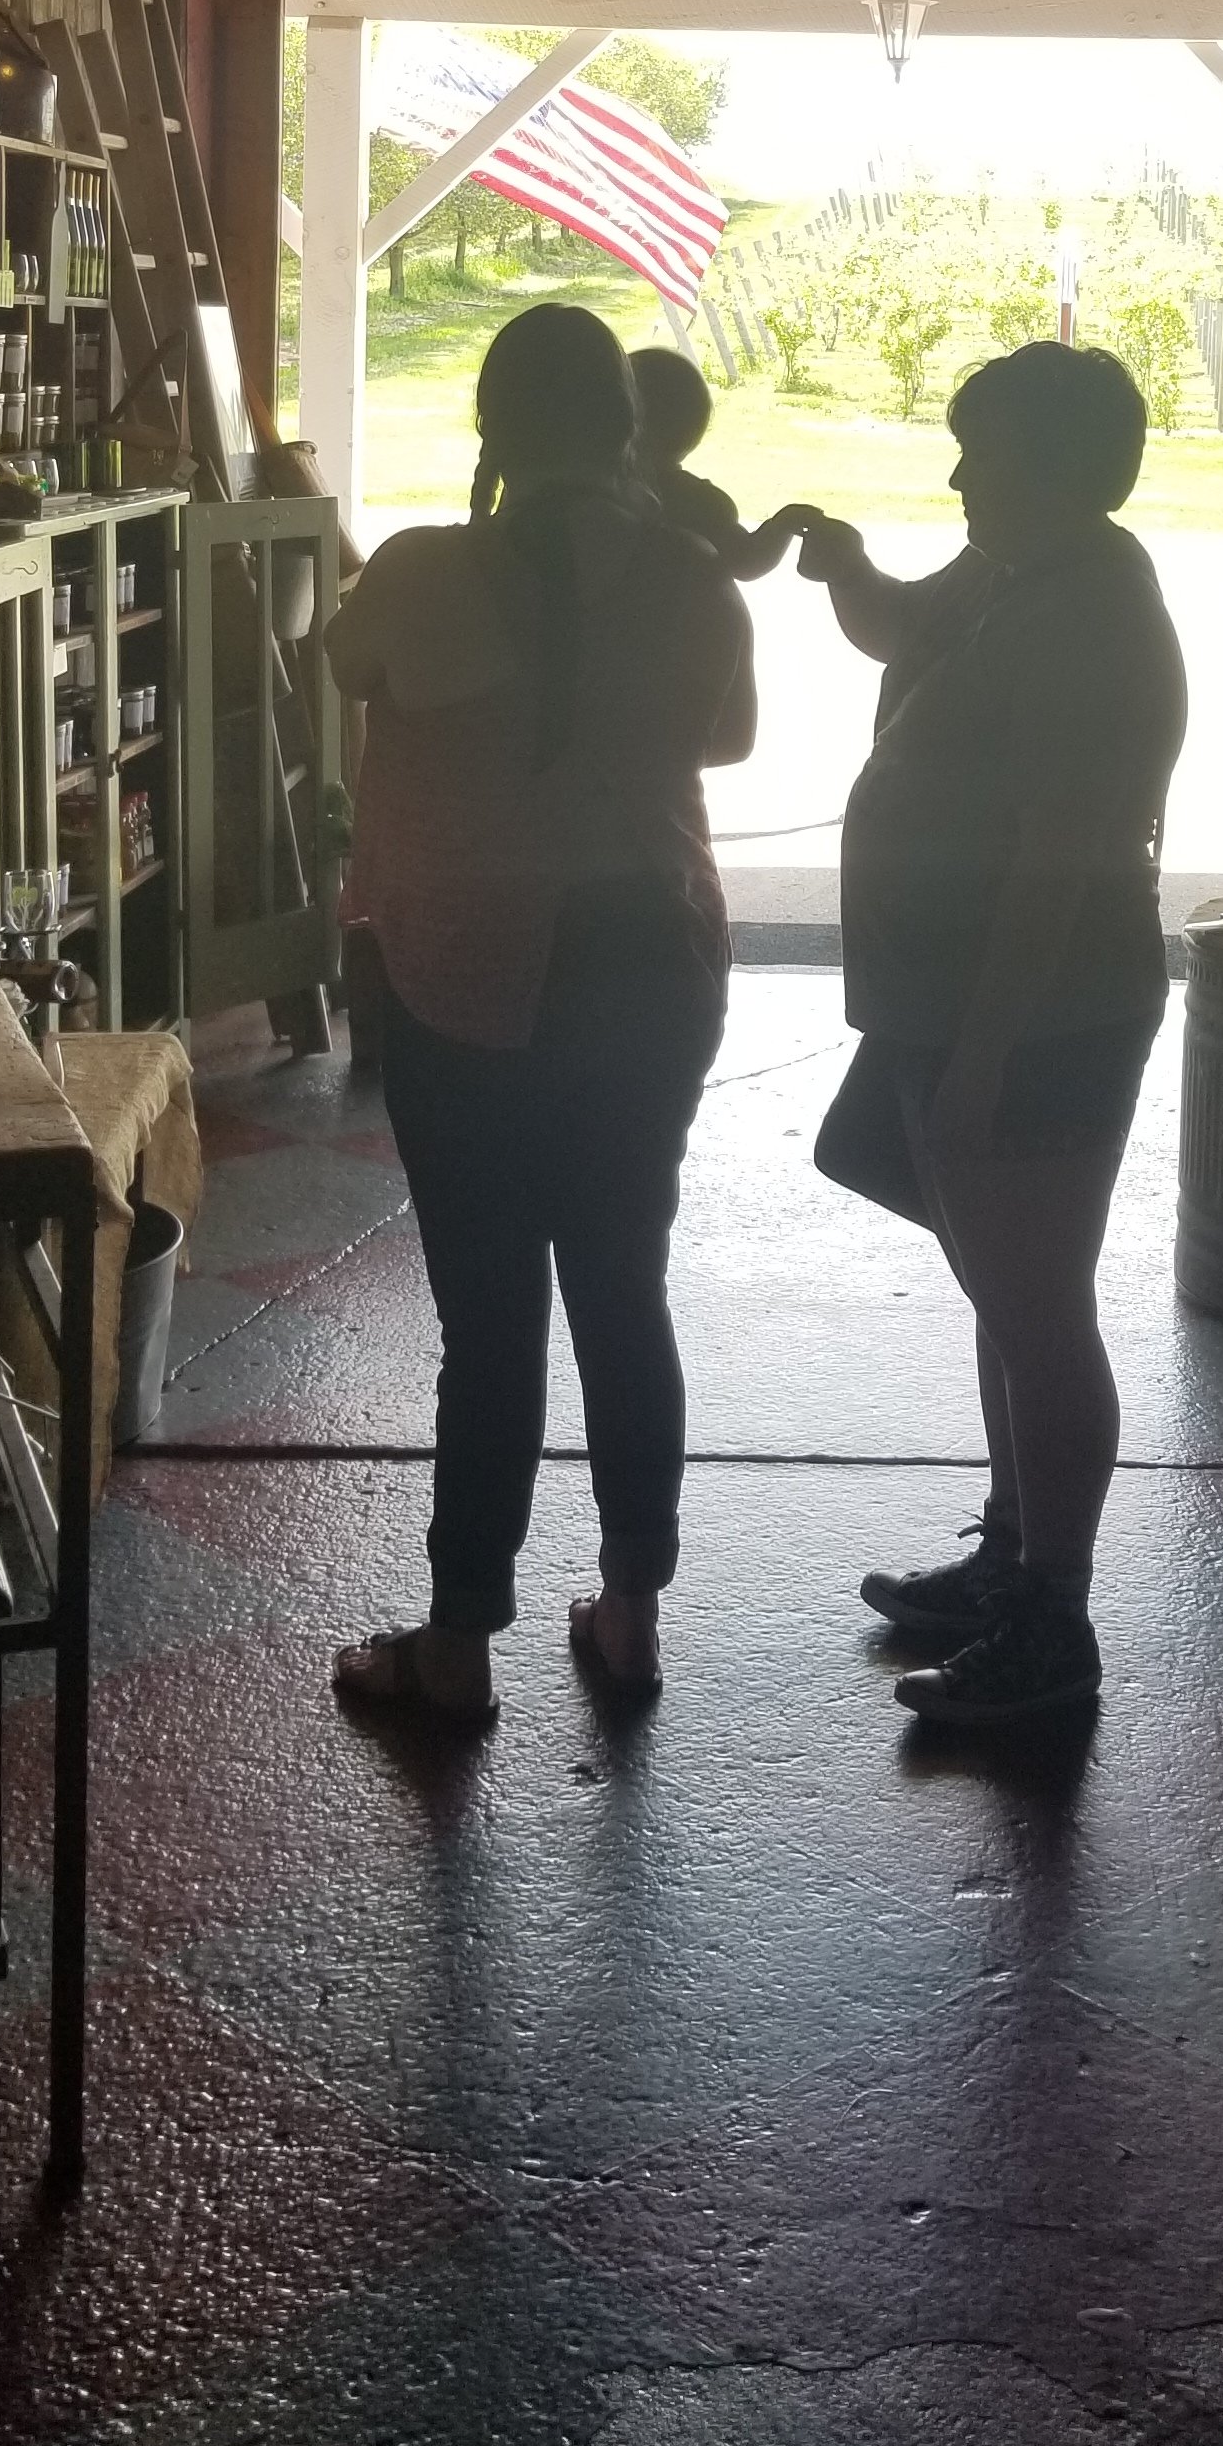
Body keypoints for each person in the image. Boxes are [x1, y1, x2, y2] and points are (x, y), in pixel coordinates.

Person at [326, 303, 756, 1720]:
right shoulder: (696, 575)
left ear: (492, 424)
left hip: (469, 963)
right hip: (650, 958)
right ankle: (628, 1614)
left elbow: (347, 665)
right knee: (625, 1288)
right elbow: (727, 737)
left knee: (492, 1317)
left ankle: (457, 1648)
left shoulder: (427, 567)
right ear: (628, 430)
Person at [793, 342, 1185, 1726]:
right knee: (1002, 1299)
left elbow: (1062, 862)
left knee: (1038, 1310)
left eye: (984, 452)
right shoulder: (1022, 573)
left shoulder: (1089, 611)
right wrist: (839, 561)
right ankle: (1011, 1554)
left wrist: (987, 1053)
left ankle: (1050, 1628)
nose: (959, 474)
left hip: (1038, 1017)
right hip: (960, 1008)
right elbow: (900, 622)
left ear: (1062, 470)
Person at [629, 343, 809, 579]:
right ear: (694, 429)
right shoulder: (698, 502)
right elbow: (747, 561)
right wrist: (784, 524)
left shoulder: (600, 489)